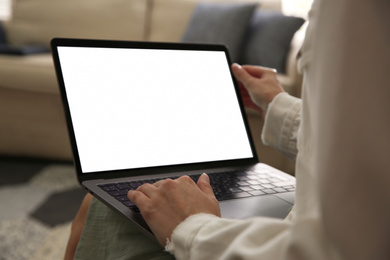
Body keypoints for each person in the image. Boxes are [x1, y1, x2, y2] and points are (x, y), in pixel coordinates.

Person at [65, 0, 390, 259]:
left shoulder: (356, 10)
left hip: (291, 238)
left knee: (101, 205)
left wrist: (192, 228)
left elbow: (344, 249)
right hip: (309, 209)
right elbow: (365, 140)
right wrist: (278, 104)